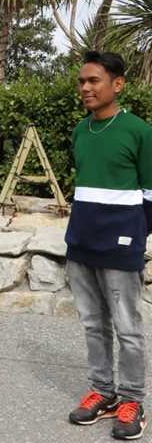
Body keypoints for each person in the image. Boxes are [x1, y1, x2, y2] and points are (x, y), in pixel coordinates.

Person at [66, 51, 152, 440]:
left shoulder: (139, 131)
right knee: (92, 324)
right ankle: (103, 391)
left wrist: (134, 237)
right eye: (82, 81)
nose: (85, 87)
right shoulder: (82, 130)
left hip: (120, 246)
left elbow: (150, 192)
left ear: (118, 84)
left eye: (94, 81)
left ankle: (133, 400)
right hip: (81, 242)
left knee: (127, 328)